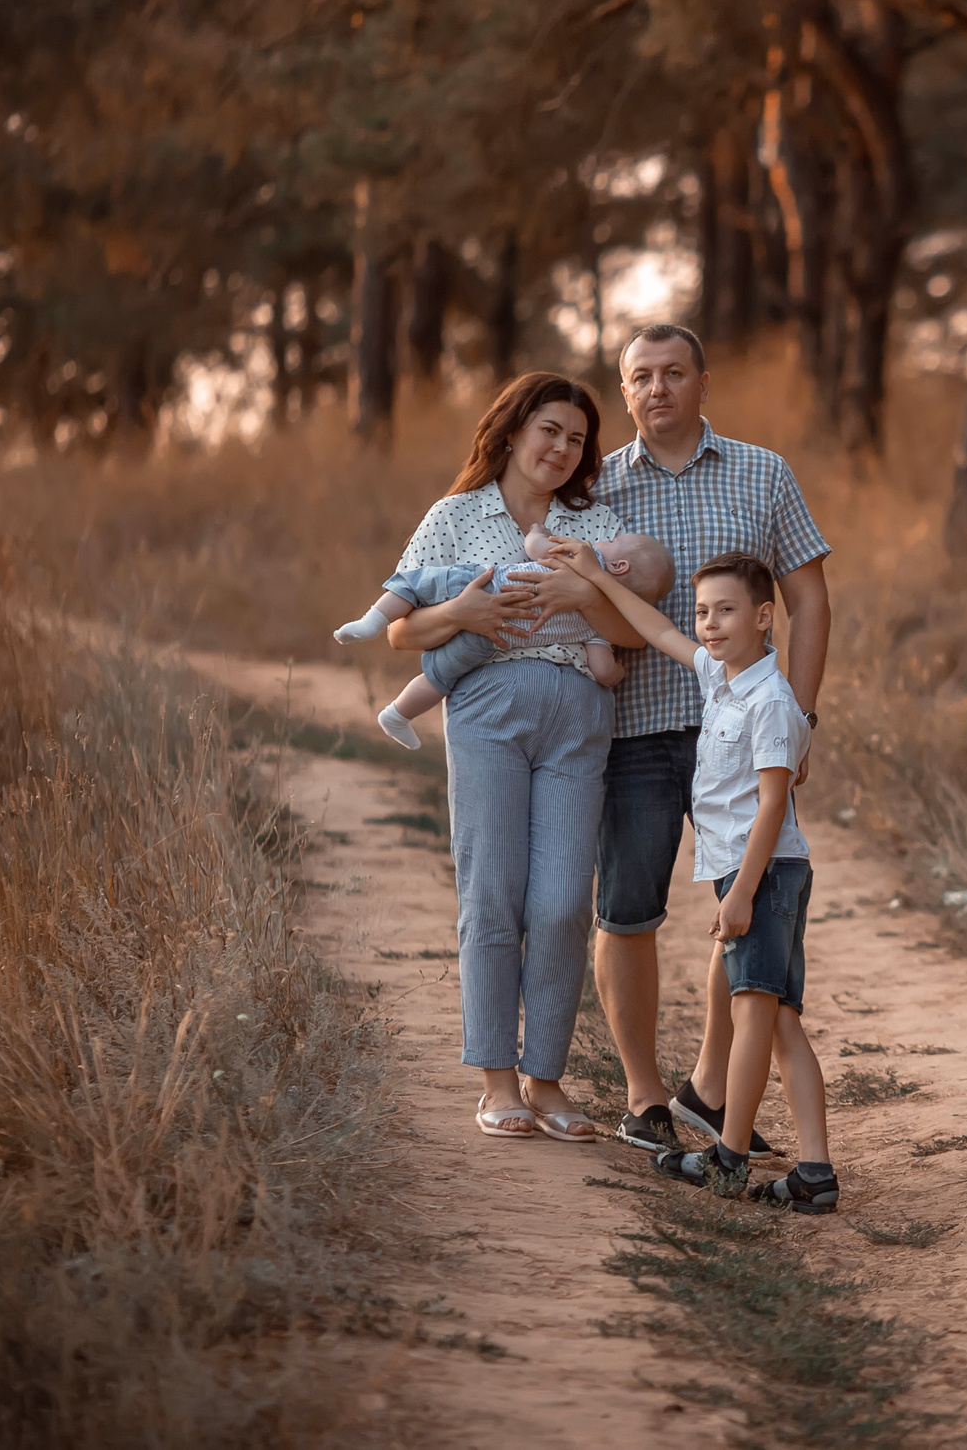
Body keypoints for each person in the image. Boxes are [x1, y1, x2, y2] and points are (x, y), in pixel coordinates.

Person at [590, 322, 833, 1158]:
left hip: (740, 735)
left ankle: (707, 1086)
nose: (657, 388)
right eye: (641, 376)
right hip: (634, 728)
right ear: (625, 391)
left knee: (746, 902)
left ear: (703, 383)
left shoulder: (764, 472)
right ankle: (644, 1096)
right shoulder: (595, 488)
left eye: (673, 372)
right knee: (628, 909)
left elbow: (809, 599)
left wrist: (799, 718)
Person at [381, 372, 642, 1143]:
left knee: (562, 902)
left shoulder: (595, 523)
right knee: (493, 891)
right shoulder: (456, 515)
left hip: (579, 717)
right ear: (512, 429)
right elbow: (400, 629)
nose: (562, 448)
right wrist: (461, 610)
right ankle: (498, 1079)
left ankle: (546, 1078)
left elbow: (632, 630)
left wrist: (584, 595)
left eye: (576, 439)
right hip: (488, 710)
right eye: (549, 429)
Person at [552, 545, 836, 1211]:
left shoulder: (771, 702)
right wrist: (593, 575)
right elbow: (657, 630)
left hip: (763, 873)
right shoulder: (721, 678)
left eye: (726, 611)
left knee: (753, 1012)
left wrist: (741, 895)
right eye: (704, 612)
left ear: (763, 617)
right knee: (780, 1020)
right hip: (753, 871)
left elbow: (774, 804)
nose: (709, 624)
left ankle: (728, 1161)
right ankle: (815, 1172)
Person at [332, 521, 674, 749]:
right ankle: (398, 713)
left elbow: (536, 547)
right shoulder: (601, 623)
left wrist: (539, 532)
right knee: (441, 676)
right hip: (494, 638)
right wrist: (617, 673)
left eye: (613, 542)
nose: (603, 540)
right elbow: (602, 669)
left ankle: (372, 620)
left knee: (415, 584)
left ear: (619, 566)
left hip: (484, 585)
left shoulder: (586, 558)